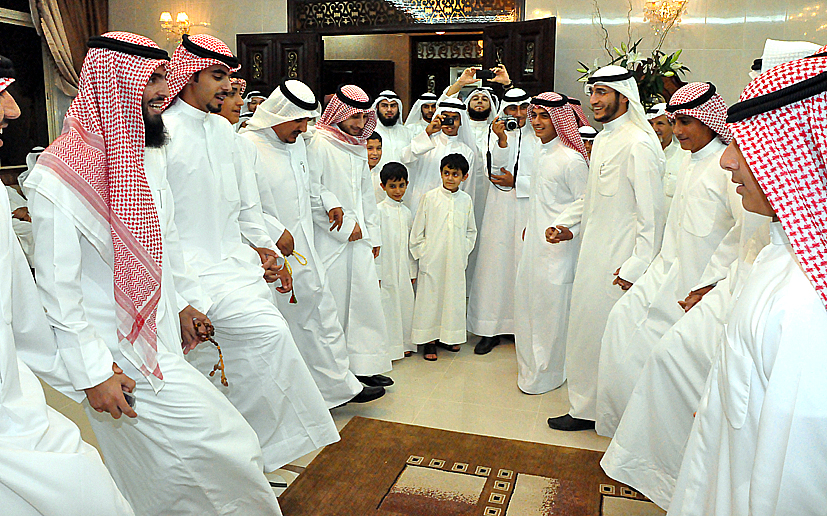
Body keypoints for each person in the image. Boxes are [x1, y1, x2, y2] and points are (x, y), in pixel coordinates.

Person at [23, 33, 283, 515]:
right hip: (115, 356)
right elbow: (57, 292)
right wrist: (92, 372)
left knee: (156, 468)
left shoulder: (144, 152)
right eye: (154, 79)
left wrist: (182, 302)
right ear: (114, 85)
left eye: (167, 76)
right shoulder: (58, 176)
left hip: (157, 335)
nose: (167, 88)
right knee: (228, 445)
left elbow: (167, 241)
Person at [162, 34, 338, 470]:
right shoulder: (160, 135)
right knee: (225, 360)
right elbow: (160, 226)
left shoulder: (228, 135)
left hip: (234, 269)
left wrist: (261, 248)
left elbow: (243, 207)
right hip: (187, 275)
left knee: (261, 348)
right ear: (189, 75)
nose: (227, 87)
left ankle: (253, 455)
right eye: (217, 76)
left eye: (230, 78)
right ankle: (227, 457)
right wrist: (181, 295)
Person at [669, 50, 827, 516]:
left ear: (797, 156)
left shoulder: (806, 303)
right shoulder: (783, 256)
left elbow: (794, 484)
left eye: (747, 145)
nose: (727, 161)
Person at [0, 51, 135, 516]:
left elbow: (19, 323)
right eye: (0, 92)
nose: (14, 110)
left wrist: (89, 375)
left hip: (18, 416)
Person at [595, 82, 741, 437]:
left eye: (686, 122)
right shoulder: (690, 163)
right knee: (618, 324)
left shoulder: (727, 167)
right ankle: (624, 431)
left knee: (665, 362)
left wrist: (710, 286)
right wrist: (645, 270)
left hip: (698, 292)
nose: (676, 131)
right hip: (664, 277)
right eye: (674, 121)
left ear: (710, 121)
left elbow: (743, 234)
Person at [241, 79, 383, 407]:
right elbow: (242, 202)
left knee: (322, 315)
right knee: (293, 325)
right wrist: (274, 232)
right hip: (271, 253)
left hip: (305, 248)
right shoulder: (247, 145)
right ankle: (302, 395)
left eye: (308, 120)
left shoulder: (296, 143)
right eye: (298, 121)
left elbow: (312, 188)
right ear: (279, 114)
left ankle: (340, 387)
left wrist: (331, 201)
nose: (305, 128)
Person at [546, 65, 665, 431]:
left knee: (612, 340)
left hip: (618, 263)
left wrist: (636, 265)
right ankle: (585, 408)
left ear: (623, 97)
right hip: (592, 255)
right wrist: (567, 224)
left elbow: (653, 214)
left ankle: (609, 414)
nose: (593, 100)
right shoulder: (606, 139)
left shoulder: (639, 144)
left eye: (601, 92)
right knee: (585, 331)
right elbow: (592, 198)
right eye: (592, 92)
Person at [307, 84, 393, 387]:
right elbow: (312, 192)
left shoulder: (356, 145)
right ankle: (340, 376)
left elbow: (365, 195)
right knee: (335, 309)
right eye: (353, 117)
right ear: (339, 113)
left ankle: (363, 366)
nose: (358, 124)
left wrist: (374, 235)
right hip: (330, 241)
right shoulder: (319, 143)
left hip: (360, 240)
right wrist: (345, 228)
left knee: (363, 304)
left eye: (362, 117)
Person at [514, 92, 589, 394]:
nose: (537, 122)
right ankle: (532, 366)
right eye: (534, 116)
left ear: (560, 120)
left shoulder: (571, 159)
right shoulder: (542, 153)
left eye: (545, 116)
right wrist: (532, 226)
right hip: (535, 243)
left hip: (558, 246)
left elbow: (586, 200)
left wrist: (561, 225)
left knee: (552, 310)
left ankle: (550, 371)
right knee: (529, 302)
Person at [467, 87, 537, 355]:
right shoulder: (493, 135)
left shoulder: (539, 138)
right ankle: (490, 329)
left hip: (528, 211)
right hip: (499, 212)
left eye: (523, 109)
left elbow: (546, 175)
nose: (518, 115)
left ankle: (520, 328)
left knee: (522, 267)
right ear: (504, 110)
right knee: (495, 267)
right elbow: (494, 172)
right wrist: (502, 141)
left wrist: (517, 181)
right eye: (512, 109)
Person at [410, 153, 477, 361]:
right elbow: (417, 231)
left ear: (464, 177)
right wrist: (424, 252)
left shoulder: (465, 200)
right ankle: (429, 340)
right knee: (430, 298)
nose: (449, 178)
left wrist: (463, 250)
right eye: (446, 173)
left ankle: (449, 336)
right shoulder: (430, 198)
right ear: (440, 173)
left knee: (452, 298)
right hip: (432, 259)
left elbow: (471, 231)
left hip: (455, 259)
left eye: (455, 174)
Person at [401, 97, 482, 218]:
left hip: (453, 210)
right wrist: (427, 132)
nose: (450, 122)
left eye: (455, 118)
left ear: (461, 121)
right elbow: (405, 158)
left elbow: (468, 188)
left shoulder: (467, 151)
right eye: (446, 117)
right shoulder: (426, 142)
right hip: (423, 205)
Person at [376, 162, 417, 360]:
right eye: (392, 186)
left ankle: (405, 343)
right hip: (386, 268)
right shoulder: (379, 211)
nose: (398, 190)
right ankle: (390, 348)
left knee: (405, 304)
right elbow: (375, 247)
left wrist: (412, 270)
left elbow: (410, 245)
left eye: (401, 185)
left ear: (407, 184)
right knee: (388, 306)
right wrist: (377, 273)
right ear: (383, 186)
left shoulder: (407, 213)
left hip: (403, 268)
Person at [646, 103, 689, 212]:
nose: (654, 129)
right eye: (650, 123)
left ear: (672, 126)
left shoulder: (685, 156)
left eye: (660, 123)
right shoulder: (643, 154)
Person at [372, 90, 408, 171]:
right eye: (384, 106)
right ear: (377, 107)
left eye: (393, 106)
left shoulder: (407, 132)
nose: (389, 110)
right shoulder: (370, 131)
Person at [367, 131, 385, 203]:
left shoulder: (382, 175)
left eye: (378, 148)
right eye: (370, 148)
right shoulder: (353, 173)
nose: (375, 153)